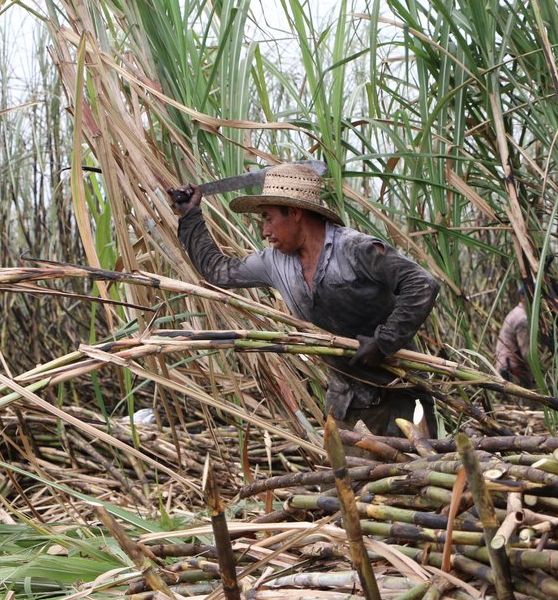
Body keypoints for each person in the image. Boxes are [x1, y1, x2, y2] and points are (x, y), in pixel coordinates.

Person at [169, 162, 440, 437]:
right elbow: (218, 272)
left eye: (269, 218)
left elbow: (422, 284)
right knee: (346, 479)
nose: (264, 231)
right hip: (347, 404)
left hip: (400, 396)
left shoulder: (355, 249)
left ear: (295, 212)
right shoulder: (274, 263)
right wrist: (190, 216)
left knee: (412, 475)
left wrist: (384, 342)